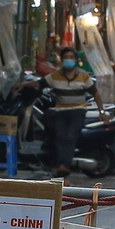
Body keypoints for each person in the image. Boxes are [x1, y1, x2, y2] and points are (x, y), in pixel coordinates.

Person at [45, 46, 107, 176]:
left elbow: (95, 94)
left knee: (70, 136)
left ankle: (64, 165)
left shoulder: (83, 76)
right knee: (60, 136)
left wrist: (102, 112)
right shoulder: (55, 75)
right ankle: (61, 164)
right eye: (66, 57)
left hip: (78, 110)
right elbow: (40, 83)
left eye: (71, 57)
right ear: (62, 60)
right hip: (61, 110)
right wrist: (20, 86)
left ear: (75, 60)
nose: (68, 60)